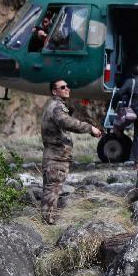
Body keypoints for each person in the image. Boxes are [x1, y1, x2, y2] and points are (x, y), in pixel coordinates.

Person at [41, 79, 101, 224]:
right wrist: (89, 128)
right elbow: (65, 122)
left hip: (55, 157)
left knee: (51, 191)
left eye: (68, 86)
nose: (67, 88)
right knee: (52, 192)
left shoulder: (56, 106)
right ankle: (46, 225)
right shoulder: (57, 107)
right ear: (54, 91)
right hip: (56, 159)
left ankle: (46, 222)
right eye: (63, 87)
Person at [112, 64, 138, 164]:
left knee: (117, 127)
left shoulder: (130, 81)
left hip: (130, 113)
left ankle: (120, 145)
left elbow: (119, 93)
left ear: (132, 74)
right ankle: (135, 160)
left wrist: (114, 104)